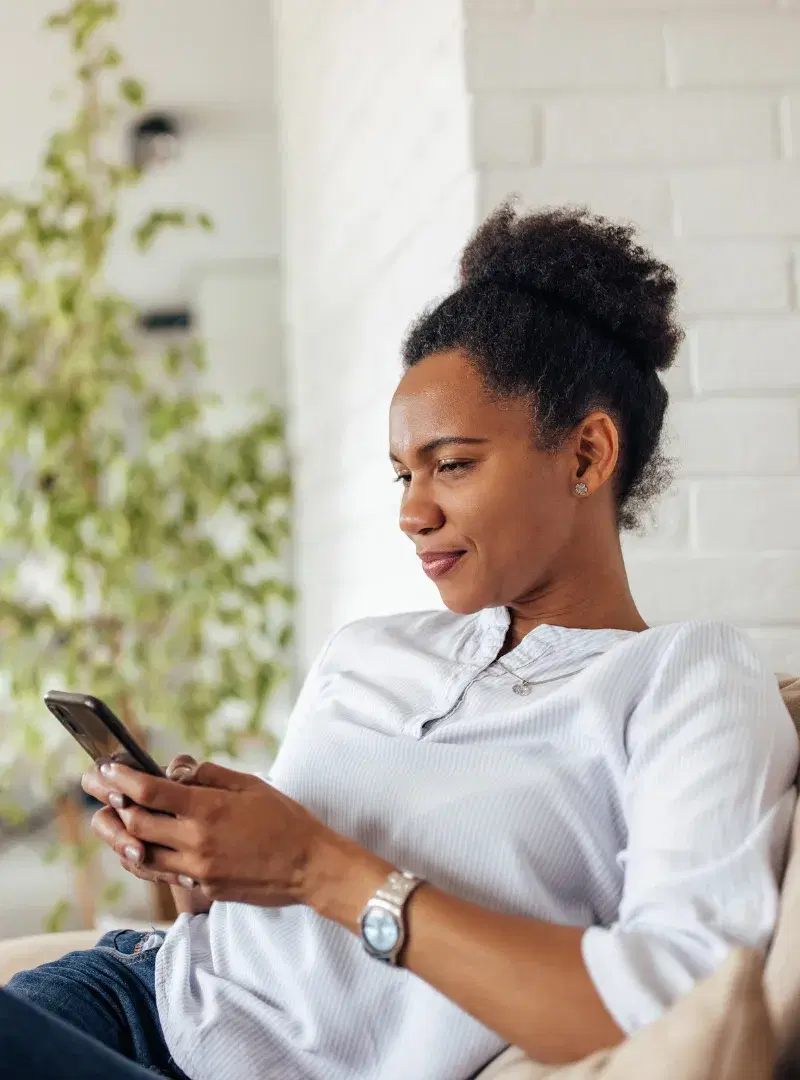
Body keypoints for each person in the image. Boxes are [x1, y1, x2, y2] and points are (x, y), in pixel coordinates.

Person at [2, 203, 797, 1080]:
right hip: (135, 999)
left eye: (452, 464)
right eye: (402, 473)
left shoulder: (685, 679)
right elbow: (257, 937)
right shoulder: (366, 652)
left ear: (587, 455)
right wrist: (209, 861)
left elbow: (677, 1007)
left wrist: (313, 866)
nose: (412, 514)